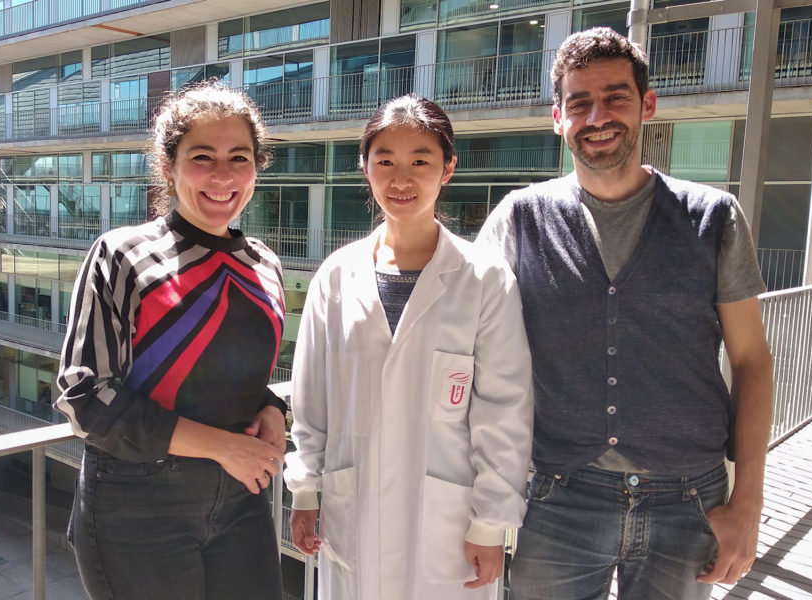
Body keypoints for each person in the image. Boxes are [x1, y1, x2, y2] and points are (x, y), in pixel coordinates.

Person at [475, 27, 774, 600]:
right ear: (557, 117)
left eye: (615, 97)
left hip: (690, 498)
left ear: (648, 104)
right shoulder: (519, 219)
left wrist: (748, 505)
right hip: (560, 493)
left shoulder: (713, 217)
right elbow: (465, 335)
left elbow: (752, 360)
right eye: (579, 102)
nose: (597, 117)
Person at [285, 94, 534, 600]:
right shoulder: (336, 276)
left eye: (421, 160)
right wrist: (305, 489)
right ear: (365, 167)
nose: (402, 179)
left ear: (448, 169)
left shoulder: (484, 278)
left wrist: (491, 523)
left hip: (446, 521)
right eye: (385, 161)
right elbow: (312, 400)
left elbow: (504, 410)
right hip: (352, 506)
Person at [55, 82, 287, 600]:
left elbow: (234, 373)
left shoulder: (265, 265)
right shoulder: (123, 254)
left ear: (257, 166)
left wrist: (273, 410)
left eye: (239, 157)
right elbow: (85, 399)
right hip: (137, 507)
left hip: (240, 501)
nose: (223, 175)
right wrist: (226, 447)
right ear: (169, 167)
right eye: (202, 157)